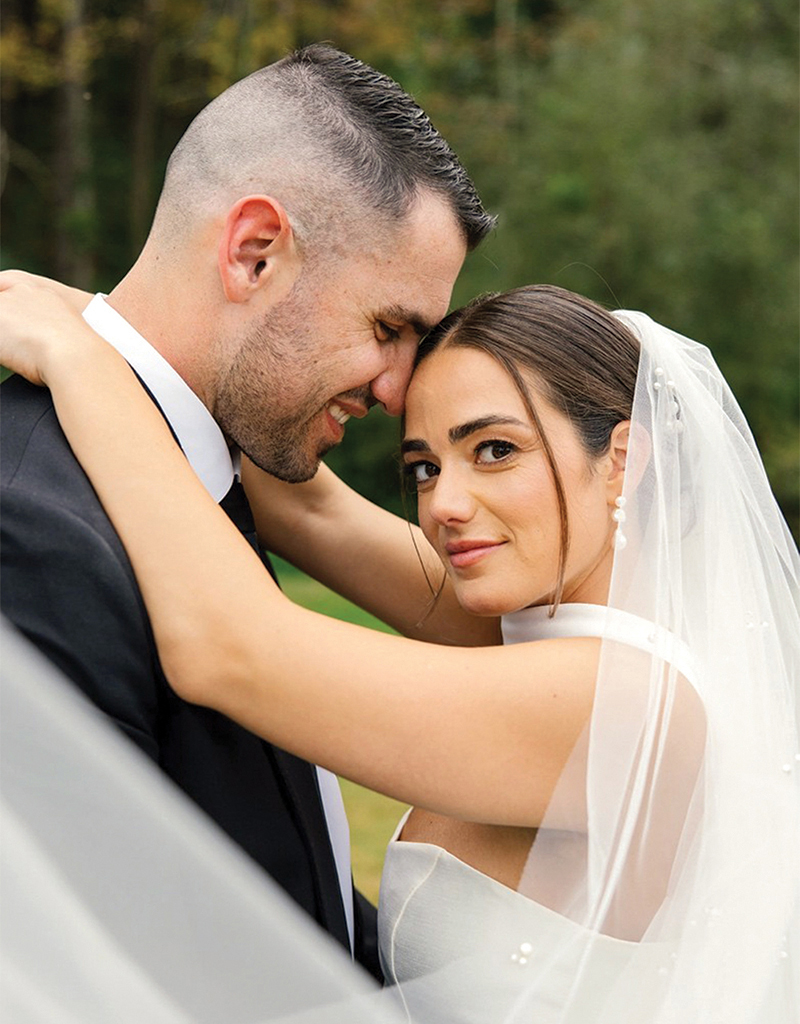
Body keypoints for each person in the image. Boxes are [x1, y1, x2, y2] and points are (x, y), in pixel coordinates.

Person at [1, 277, 797, 1023]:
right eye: (423, 466)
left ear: (622, 460)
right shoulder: (539, 623)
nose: (445, 504)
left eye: (494, 450)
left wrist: (76, 359)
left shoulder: (621, 698)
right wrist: (126, 330)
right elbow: (314, 511)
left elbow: (232, 650)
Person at [0, 42, 494, 977]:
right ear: (254, 252)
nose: (398, 393)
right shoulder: (28, 525)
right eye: (388, 328)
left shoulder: (210, 480)